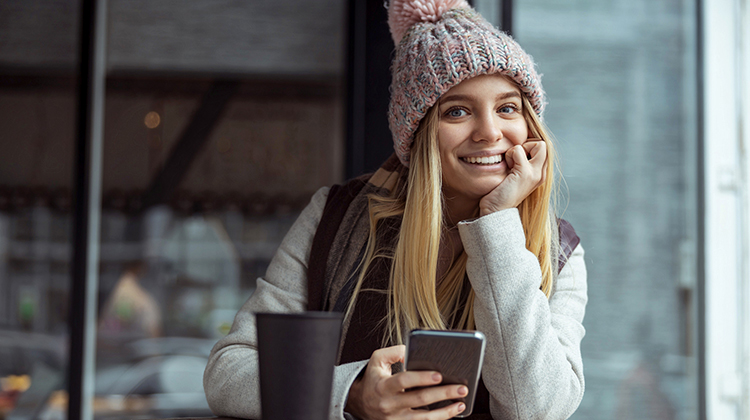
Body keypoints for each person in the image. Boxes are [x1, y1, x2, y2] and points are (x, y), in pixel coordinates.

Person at [203, 0, 588, 419]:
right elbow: (228, 371)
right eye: (456, 111)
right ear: (418, 132)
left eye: (507, 107)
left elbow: (537, 408)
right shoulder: (335, 217)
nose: (490, 132)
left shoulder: (559, 250)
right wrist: (351, 394)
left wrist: (496, 224)